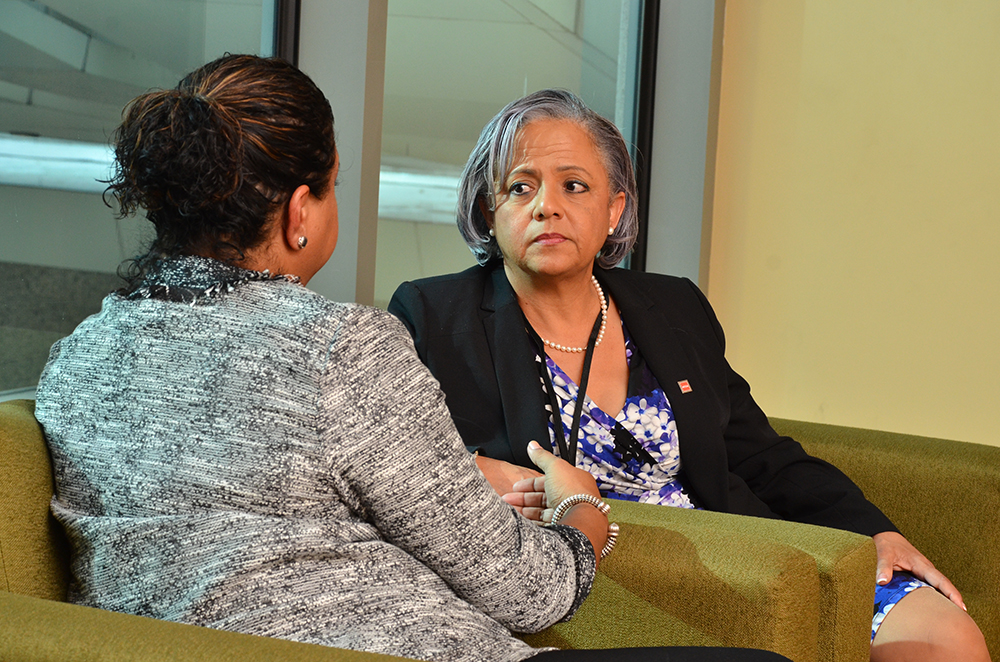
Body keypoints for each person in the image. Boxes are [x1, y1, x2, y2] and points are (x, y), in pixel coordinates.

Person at [34, 56, 788, 662]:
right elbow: (528, 593)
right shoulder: (341, 349)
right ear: (299, 215)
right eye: (333, 187)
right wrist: (581, 512)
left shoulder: (75, 363)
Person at [387, 89, 991, 662]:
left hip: (743, 558)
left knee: (943, 637)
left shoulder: (672, 306)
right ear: (489, 210)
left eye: (574, 185)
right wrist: (470, 470)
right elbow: (395, 465)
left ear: (613, 207)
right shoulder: (435, 316)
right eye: (521, 187)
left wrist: (868, 533)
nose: (547, 205)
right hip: (594, 573)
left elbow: (760, 455)